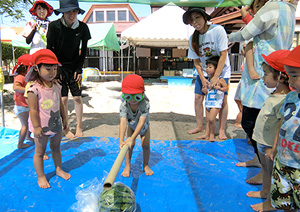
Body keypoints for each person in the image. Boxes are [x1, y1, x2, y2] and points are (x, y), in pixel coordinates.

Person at [229, 0, 297, 184]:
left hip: (264, 75)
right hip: (272, 72)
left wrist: (227, 37)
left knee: (253, 124)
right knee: (261, 123)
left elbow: (246, 33)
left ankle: (265, 172)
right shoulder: (290, 9)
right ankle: (259, 161)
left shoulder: (276, 6)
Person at [244, 50, 291, 212]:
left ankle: (270, 202)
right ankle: (264, 191)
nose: (263, 78)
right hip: (262, 142)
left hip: (270, 145)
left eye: (265, 74)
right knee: (265, 169)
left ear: (280, 77)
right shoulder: (275, 94)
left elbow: (281, 126)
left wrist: (274, 148)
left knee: (272, 173)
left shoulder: (284, 100)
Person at [183, 7, 231, 140]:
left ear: (205, 17)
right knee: (198, 98)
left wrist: (216, 76)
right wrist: (203, 78)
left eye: (197, 18)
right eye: (191, 20)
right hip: (205, 71)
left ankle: (221, 129)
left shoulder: (217, 30)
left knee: (222, 100)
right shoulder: (193, 38)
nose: (194, 22)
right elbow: (196, 61)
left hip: (222, 71)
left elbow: (223, 54)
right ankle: (199, 126)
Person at [47, 0, 91, 138]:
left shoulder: (83, 27)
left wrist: (79, 69)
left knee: (77, 98)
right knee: (64, 99)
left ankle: (79, 126)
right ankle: (66, 128)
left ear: (78, 12)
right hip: (59, 66)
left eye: (74, 11)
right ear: (62, 12)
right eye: (68, 11)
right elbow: (50, 49)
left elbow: (83, 50)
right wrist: (55, 69)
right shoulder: (54, 26)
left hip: (74, 66)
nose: (71, 15)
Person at [27, 49, 70, 189]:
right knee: (40, 152)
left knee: (56, 148)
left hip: (56, 124)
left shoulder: (57, 86)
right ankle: (41, 176)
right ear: (37, 68)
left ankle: (58, 169)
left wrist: (65, 120)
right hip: (41, 127)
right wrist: (37, 126)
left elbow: (61, 105)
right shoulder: (34, 89)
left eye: (54, 68)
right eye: (48, 68)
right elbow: (33, 110)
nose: (52, 72)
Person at [267, 45, 300, 212]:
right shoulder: (291, 96)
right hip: (283, 160)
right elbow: (282, 124)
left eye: (294, 75)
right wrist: (274, 147)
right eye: (288, 75)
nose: (290, 80)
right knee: (284, 201)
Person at [119, 74, 154, 177]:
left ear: (142, 94)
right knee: (129, 146)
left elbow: (141, 122)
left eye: (137, 96)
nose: (133, 100)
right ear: (124, 94)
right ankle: (127, 166)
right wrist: (121, 140)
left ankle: (146, 165)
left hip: (143, 127)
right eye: (128, 96)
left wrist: (132, 138)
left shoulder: (145, 104)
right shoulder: (124, 105)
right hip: (131, 126)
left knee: (145, 145)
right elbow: (123, 122)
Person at [199, 56, 228, 142]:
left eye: (210, 67)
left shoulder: (220, 79)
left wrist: (219, 88)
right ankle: (207, 134)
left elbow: (226, 88)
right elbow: (204, 89)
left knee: (212, 119)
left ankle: (212, 134)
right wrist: (204, 90)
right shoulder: (207, 79)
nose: (207, 69)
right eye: (207, 67)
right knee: (208, 120)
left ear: (216, 69)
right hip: (208, 102)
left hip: (216, 103)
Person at [12, 54, 34, 149]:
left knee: (30, 122)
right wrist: (27, 89)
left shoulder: (26, 76)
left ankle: (28, 136)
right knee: (25, 125)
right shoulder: (20, 77)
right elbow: (15, 87)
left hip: (25, 105)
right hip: (21, 106)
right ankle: (20, 143)